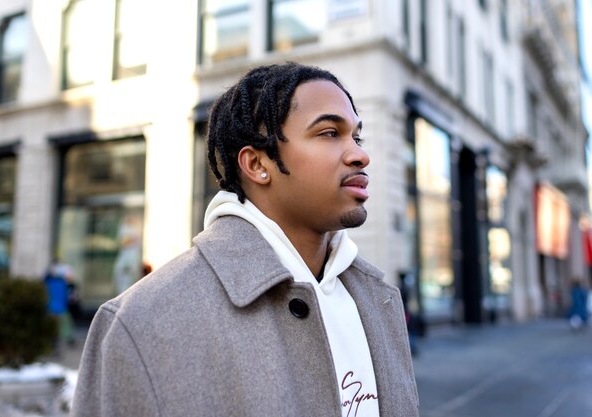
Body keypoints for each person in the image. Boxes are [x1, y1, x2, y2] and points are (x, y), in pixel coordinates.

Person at [71, 62, 419, 417]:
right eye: (330, 133)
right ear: (256, 164)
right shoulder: (143, 324)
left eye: (356, 136)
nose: (360, 154)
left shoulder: (379, 300)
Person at [43, 257, 76, 348]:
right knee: (58, 321)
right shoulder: (53, 277)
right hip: (56, 303)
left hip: (59, 303)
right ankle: (57, 339)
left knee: (62, 321)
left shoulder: (57, 276)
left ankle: (62, 338)